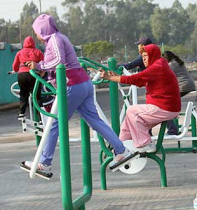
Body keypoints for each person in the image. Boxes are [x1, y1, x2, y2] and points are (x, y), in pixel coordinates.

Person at [22, 14, 129, 177]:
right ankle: (121, 150)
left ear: (43, 30)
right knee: (95, 121)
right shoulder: (58, 38)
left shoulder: (55, 39)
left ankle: (44, 162)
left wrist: (39, 65)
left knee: (54, 123)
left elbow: (59, 61)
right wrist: (42, 67)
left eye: (37, 31)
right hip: (82, 83)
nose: (37, 35)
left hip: (73, 84)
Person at [101, 44, 181, 152]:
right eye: (142, 56)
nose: (143, 59)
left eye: (146, 56)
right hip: (163, 107)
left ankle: (145, 143)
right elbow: (139, 81)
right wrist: (115, 76)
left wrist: (111, 78)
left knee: (132, 111)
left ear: (152, 55)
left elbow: (136, 78)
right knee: (128, 122)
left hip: (165, 108)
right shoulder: (157, 65)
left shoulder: (159, 65)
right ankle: (120, 149)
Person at [162, 51, 196, 135]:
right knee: (169, 103)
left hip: (183, 87)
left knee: (164, 106)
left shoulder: (171, 65)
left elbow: (162, 74)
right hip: (190, 85)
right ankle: (173, 116)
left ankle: (172, 129)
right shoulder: (178, 62)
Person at [12, 36, 44, 119]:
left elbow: (15, 66)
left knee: (23, 94)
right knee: (36, 96)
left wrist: (16, 70)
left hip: (22, 75)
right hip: (34, 74)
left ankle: (21, 113)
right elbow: (43, 64)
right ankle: (40, 116)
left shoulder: (19, 53)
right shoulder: (38, 52)